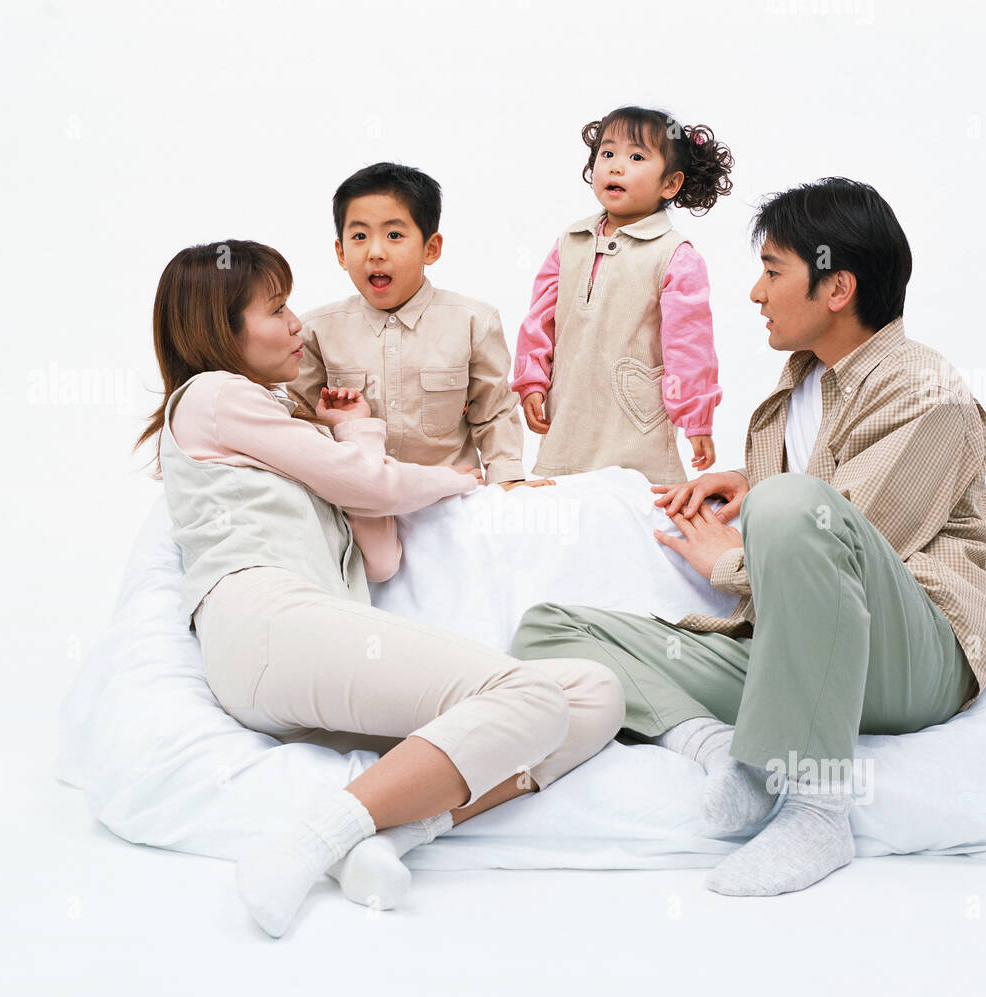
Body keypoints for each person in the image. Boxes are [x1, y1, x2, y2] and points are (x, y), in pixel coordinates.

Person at [510, 178, 986, 897]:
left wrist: (733, 561)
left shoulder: (929, 394)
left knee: (786, 503)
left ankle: (816, 808)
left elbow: (857, 535)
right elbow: (826, 495)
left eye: (773, 271)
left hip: (916, 658)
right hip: (800, 649)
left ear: (836, 288)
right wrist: (754, 475)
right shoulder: (802, 381)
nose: (754, 292)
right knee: (551, 633)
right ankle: (729, 754)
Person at [136, 239, 625, 937]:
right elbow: (371, 487)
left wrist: (354, 429)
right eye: (276, 309)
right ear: (221, 327)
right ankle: (304, 845)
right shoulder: (215, 398)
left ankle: (390, 838)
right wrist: (471, 479)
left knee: (591, 692)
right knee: (527, 698)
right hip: (265, 622)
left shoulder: (279, 427)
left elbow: (382, 552)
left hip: (314, 646)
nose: (297, 323)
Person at [288, 162, 548, 490]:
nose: (376, 252)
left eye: (394, 235)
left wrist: (507, 480)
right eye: (359, 236)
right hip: (360, 502)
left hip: (451, 498)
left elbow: (493, 411)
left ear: (431, 248)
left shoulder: (474, 322)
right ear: (340, 252)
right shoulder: (314, 331)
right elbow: (303, 421)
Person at [512, 105, 732, 483]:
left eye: (635, 157)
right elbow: (540, 319)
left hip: (635, 429)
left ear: (670, 184)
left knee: (632, 515)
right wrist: (531, 380)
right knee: (567, 508)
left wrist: (697, 420)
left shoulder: (675, 256)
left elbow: (690, 345)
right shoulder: (571, 241)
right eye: (607, 154)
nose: (615, 166)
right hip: (569, 420)